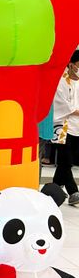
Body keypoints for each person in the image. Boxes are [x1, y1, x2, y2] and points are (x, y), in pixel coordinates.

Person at [53, 51, 79, 205]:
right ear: (71, 64)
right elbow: (63, 105)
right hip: (62, 126)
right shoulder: (62, 81)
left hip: (76, 127)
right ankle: (73, 192)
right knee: (66, 161)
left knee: (66, 162)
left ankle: (54, 188)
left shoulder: (77, 82)